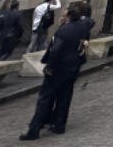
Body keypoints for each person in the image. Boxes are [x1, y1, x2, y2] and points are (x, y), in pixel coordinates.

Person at [19, 7, 86, 140]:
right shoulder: (82, 28)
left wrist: (49, 66)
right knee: (65, 97)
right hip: (72, 69)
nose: (61, 17)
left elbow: (55, 50)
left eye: (63, 15)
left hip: (58, 69)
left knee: (45, 98)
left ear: (68, 17)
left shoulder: (63, 30)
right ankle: (59, 125)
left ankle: (34, 130)